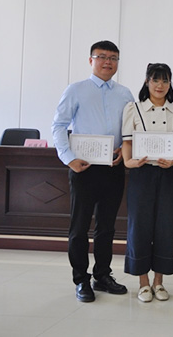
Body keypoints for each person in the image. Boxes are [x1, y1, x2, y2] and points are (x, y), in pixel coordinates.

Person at [51, 41, 134, 302]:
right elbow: (59, 125)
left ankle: (102, 275)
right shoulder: (76, 90)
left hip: (113, 167)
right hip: (83, 168)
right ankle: (81, 279)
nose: (108, 62)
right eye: (102, 57)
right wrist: (69, 159)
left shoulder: (125, 93)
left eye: (113, 58)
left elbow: (131, 129)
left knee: (106, 227)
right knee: (79, 227)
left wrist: (124, 149)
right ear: (91, 60)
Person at [121, 63, 173, 302]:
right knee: (139, 226)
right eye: (155, 80)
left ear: (170, 84)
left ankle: (159, 282)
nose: (160, 85)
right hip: (142, 174)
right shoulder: (134, 109)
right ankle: (143, 283)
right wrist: (129, 162)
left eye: (165, 80)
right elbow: (127, 142)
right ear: (147, 82)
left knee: (166, 227)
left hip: (168, 175)